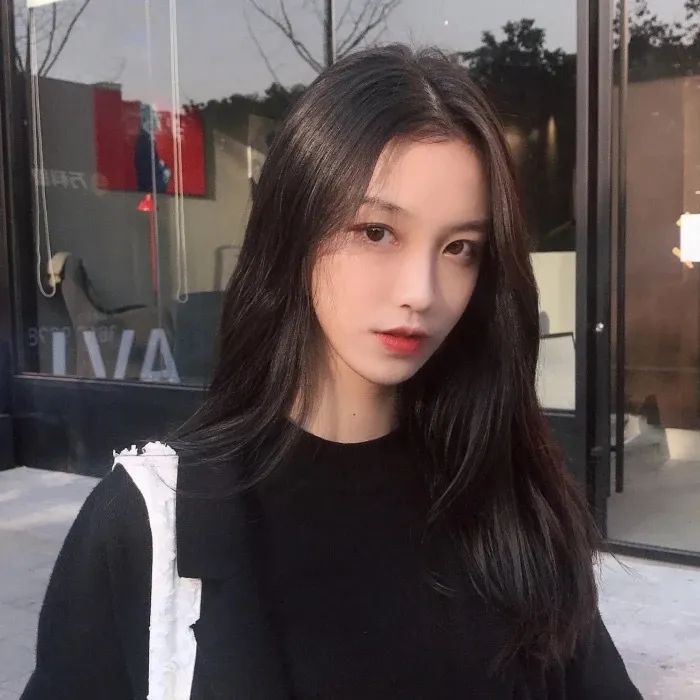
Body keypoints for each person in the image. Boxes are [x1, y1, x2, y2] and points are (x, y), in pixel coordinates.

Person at [21, 44, 642, 699]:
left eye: (460, 248)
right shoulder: (155, 520)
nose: (422, 292)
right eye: (376, 232)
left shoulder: (510, 501)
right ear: (296, 227)